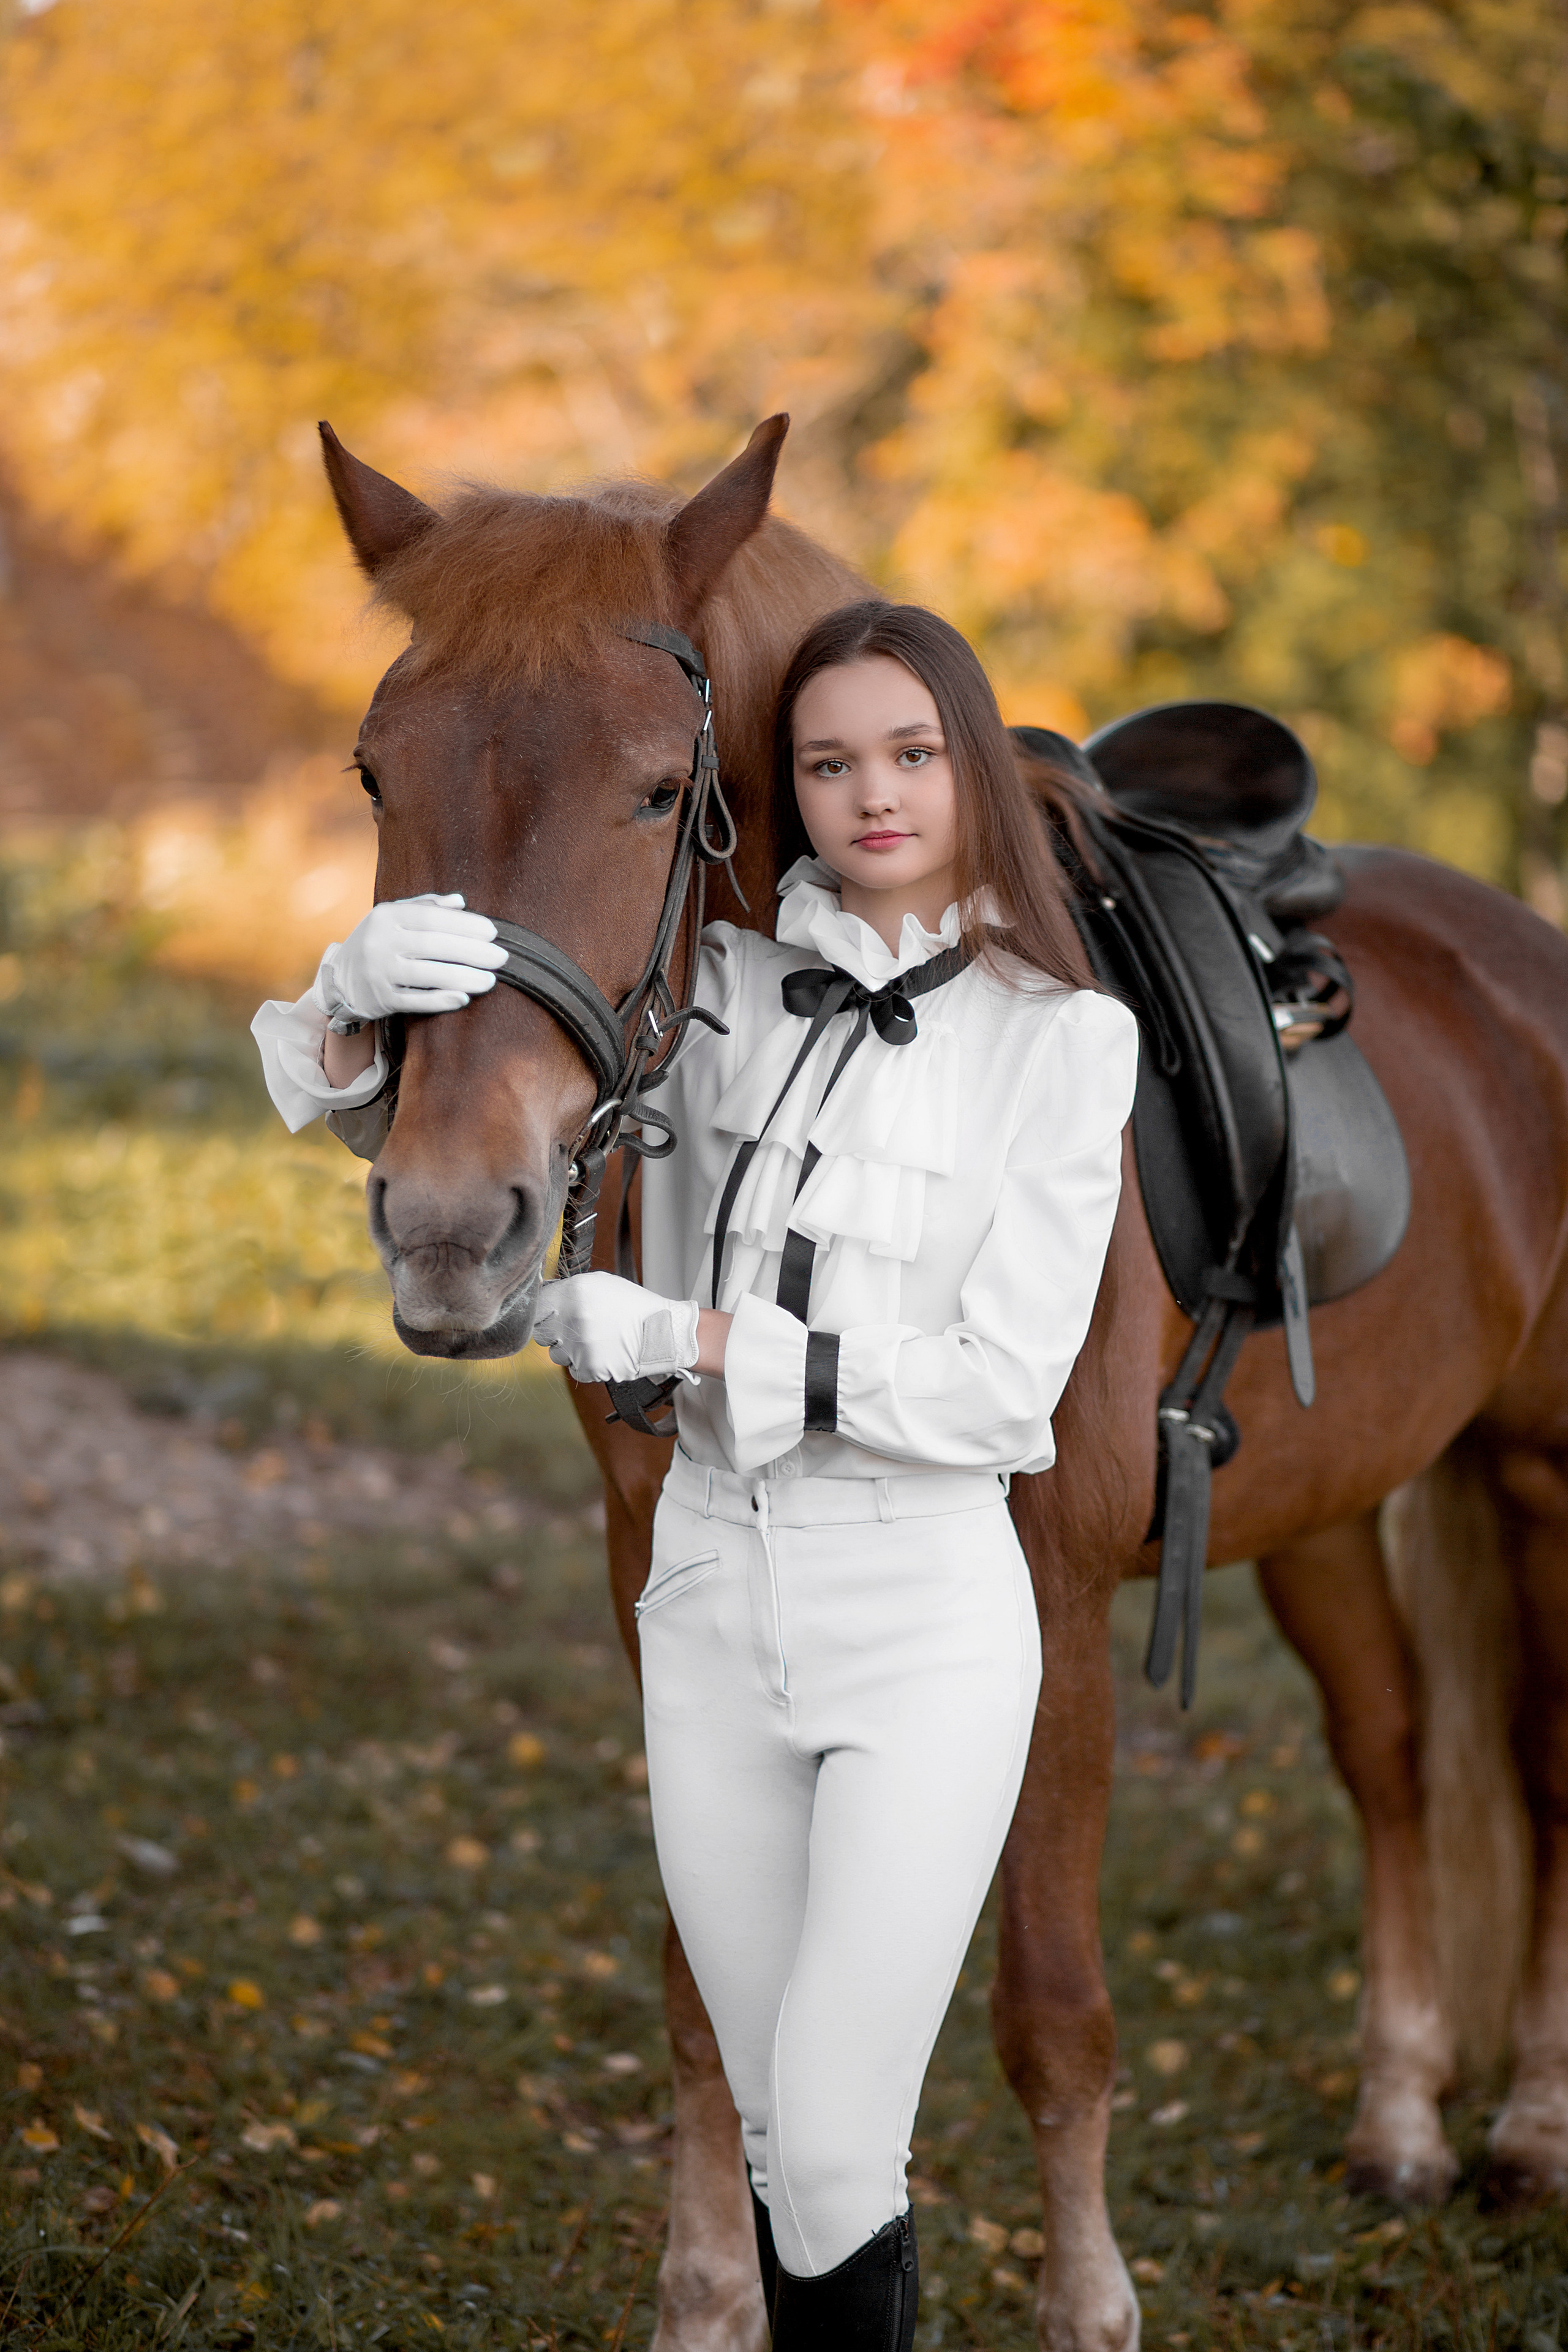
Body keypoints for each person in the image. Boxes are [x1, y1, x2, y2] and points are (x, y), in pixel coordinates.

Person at [252, 601, 1138, 2351]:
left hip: (921, 1607)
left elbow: (1001, 1402)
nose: (872, 793)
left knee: (825, 2135)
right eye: (827, 763)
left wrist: (694, 1341)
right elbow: (455, 1096)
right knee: (769, 2124)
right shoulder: (713, 997)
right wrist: (345, 998)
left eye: (911, 752)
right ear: (777, 791)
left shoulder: (1060, 1041)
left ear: (972, 760)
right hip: (711, 1603)